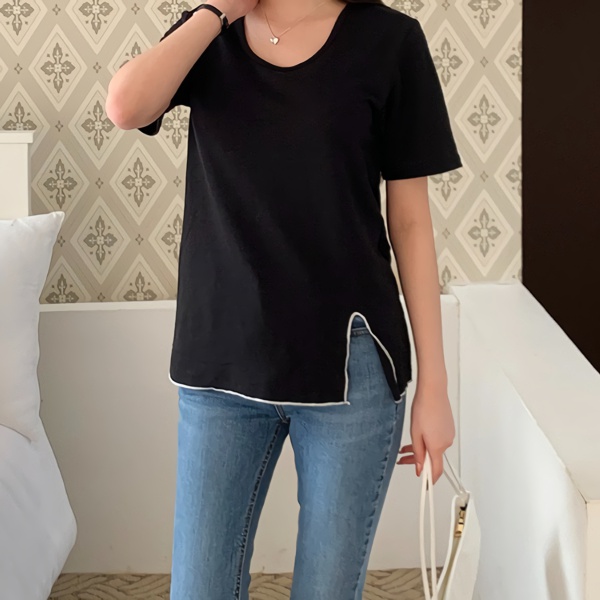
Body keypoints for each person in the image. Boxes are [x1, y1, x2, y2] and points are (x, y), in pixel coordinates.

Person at [106, 0, 460, 597]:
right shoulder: (211, 33)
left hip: (349, 369)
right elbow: (125, 107)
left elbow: (410, 223)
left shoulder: (391, 40)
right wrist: (217, 10)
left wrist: (435, 387)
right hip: (220, 365)